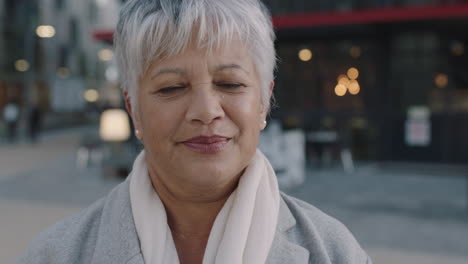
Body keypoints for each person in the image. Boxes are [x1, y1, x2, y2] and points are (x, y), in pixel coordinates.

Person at [18, 0, 372, 263]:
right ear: (133, 108)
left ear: (264, 100)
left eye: (231, 84)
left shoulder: (334, 251)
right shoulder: (56, 254)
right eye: (171, 88)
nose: (206, 112)